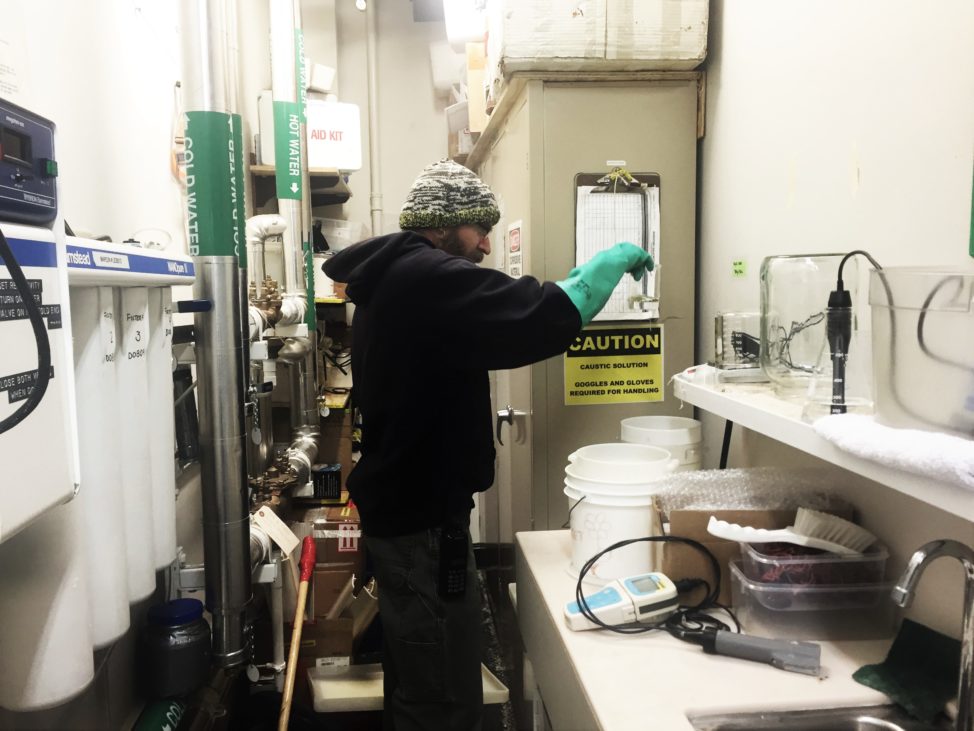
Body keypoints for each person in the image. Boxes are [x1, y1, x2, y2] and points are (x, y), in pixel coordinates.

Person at [323, 159, 652, 731]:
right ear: (443, 224)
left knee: (422, 665)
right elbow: (533, 316)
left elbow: (497, 321)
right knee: (445, 689)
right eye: (480, 227)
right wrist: (607, 266)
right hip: (421, 521)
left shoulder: (395, 278)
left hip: (407, 511)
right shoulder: (425, 276)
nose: (487, 243)